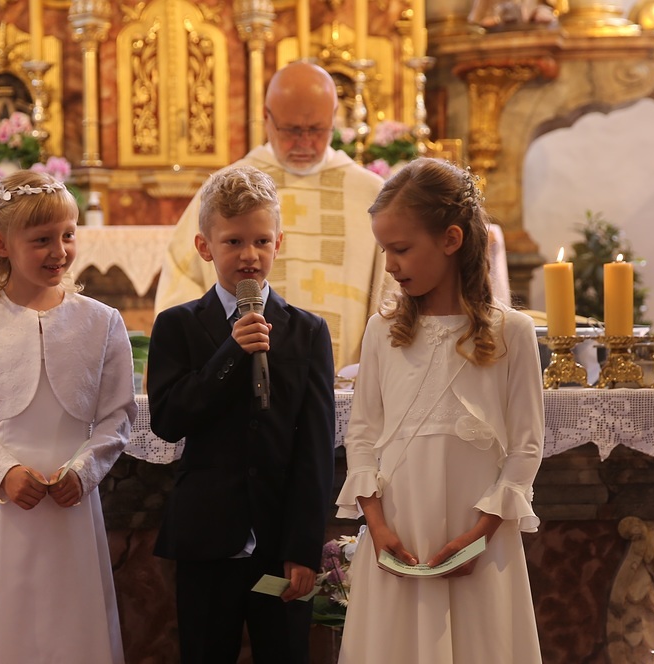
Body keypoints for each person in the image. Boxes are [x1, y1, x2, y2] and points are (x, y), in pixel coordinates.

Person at [335, 158, 544, 663]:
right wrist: (377, 526)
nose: (390, 265)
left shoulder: (511, 333)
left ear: (451, 240)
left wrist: (480, 535)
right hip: (398, 532)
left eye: (402, 249)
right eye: (385, 250)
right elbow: (361, 436)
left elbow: (526, 446)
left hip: (478, 535)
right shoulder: (383, 332)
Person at [0, 170, 136, 663]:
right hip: (3, 506)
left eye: (68, 235)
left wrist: (84, 471)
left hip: (72, 502)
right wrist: (3, 473)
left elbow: (119, 416)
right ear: (0, 244)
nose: (59, 251)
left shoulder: (102, 322)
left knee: (72, 624)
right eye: (42, 240)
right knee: (5, 621)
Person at [148, 164, 336, 663]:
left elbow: (315, 447)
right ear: (205, 246)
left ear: (279, 243)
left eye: (261, 241)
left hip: (281, 543)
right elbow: (168, 421)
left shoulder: (308, 332)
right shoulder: (177, 326)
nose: (249, 255)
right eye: (233, 242)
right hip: (207, 540)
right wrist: (230, 352)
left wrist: (303, 548)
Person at [154, 61, 386, 370]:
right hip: (232, 378)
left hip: (344, 380)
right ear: (266, 118)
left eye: (316, 130)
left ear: (334, 118)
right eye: (292, 130)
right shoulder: (225, 188)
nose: (304, 142)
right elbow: (181, 285)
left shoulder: (369, 194)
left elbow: (391, 293)